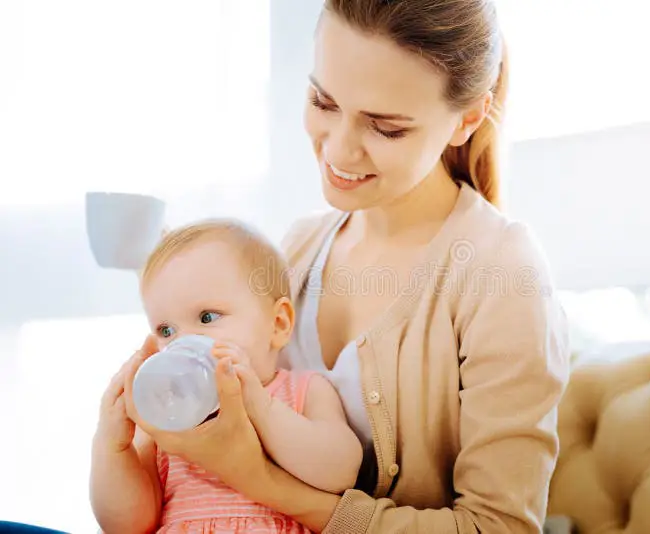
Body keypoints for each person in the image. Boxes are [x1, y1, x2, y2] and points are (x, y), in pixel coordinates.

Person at [112, 1, 571, 532]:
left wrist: (259, 481)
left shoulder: (502, 273)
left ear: (467, 119)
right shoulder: (300, 247)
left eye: (386, 128)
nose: (340, 151)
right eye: (323, 101)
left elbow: (500, 527)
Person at [89, 220, 363, 533]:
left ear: (278, 324)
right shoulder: (163, 423)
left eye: (207, 317)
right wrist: (112, 446)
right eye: (167, 330)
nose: (183, 342)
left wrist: (260, 406)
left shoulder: (303, 391)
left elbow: (341, 472)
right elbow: (127, 524)